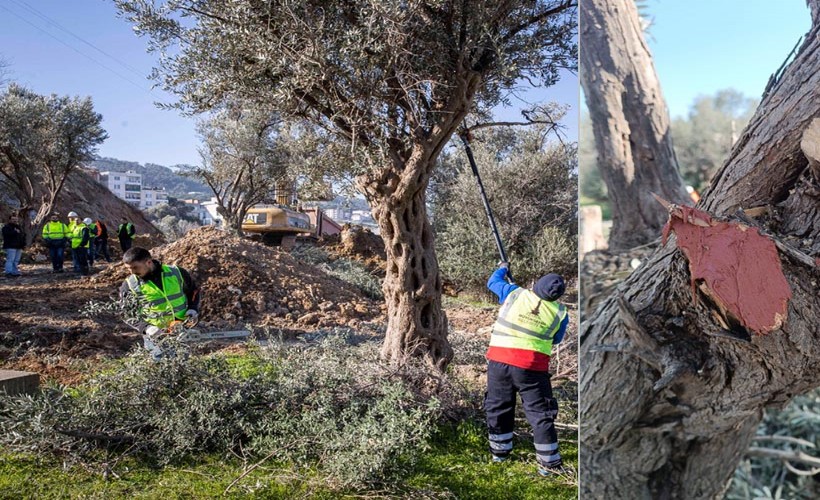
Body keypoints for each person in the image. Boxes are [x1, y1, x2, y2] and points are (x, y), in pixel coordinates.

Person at [485, 262, 569, 477]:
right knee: (540, 413)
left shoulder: (514, 293)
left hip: (499, 362)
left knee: (498, 406)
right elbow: (556, 338)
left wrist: (503, 267)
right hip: (532, 368)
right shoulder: (560, 312)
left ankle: (499, 454)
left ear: (535, 285)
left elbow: (492, 282)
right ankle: (548, 464)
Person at [119, 246, 200, 359]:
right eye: (129, 269)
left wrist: (193, 308)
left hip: (180, 329)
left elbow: (193, 291)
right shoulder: (130, 285)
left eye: (135, 267)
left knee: (182, 361)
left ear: (148, 262)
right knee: (159, 365)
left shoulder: (176, 272)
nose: (132, 272)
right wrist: (145, 327)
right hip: (155, 334)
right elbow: (126, 313)